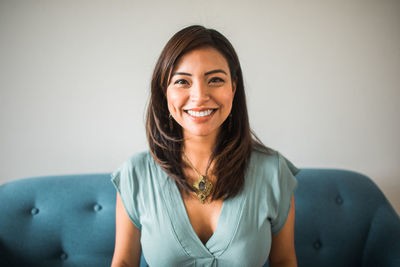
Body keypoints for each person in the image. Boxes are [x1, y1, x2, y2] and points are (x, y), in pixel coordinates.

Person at [110, 25, 300, 267]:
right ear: (164, 91)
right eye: (182, 81)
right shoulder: (135, 174)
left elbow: (284, 261)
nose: (199, 96)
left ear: (233, 87)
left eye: (215, 80)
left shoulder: (273, 171)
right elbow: (124, 262)